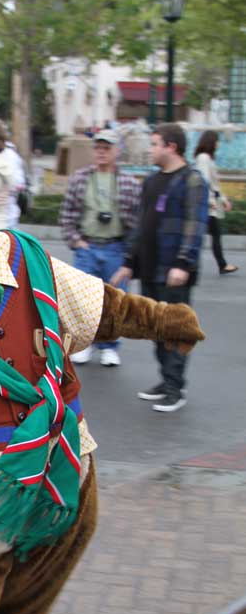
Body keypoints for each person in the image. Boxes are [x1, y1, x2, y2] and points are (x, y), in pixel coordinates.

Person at [111, 123, 209, 412]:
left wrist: (183, 263)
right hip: (151, 268)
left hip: (174, 270)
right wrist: (130, 262)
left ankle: (175, 388)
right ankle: (167, 380)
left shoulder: (192, 180)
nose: (150, 150)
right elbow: (142, 226)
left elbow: (195, 225)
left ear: (171, 147)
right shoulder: (152, 181)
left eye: (154, 144)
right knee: (155, 327)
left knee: (174, 328)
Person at [59, 130, 141, 366]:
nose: (102, 152)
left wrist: (130, 255)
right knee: (84, 301)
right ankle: (86, 344)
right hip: (88, 246)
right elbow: (67, 214)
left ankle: (110, 346)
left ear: (117, 151)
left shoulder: (128, 182)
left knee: (114, 301)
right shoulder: (80, 178)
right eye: (98, 148)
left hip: (116, 246)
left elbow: (137, 222)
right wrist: (76, 241)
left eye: (107, 148)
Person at [194, 130, 238, 275]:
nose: (219, 144)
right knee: (210, 235)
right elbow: (204, 181)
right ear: (211, 142)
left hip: (209, 204)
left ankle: (222, 265)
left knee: (209, 235)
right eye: (217, 141)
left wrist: (223, 200)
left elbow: (214, 185)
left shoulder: (207, 158)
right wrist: (208, 201)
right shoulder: (204, 158)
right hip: (207, 206)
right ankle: (221, 265)